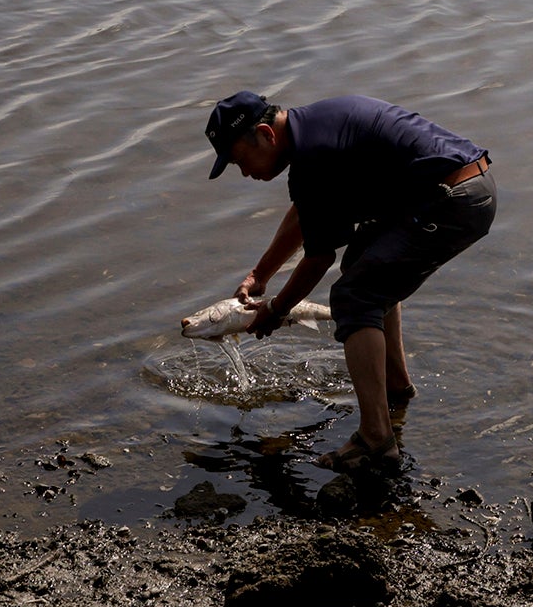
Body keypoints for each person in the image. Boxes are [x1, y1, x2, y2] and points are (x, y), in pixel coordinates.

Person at [204, 90, 494, 469]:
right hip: (456, 188)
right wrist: (260, 275)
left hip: (454, 198)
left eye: (242, 160)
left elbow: (319, 257)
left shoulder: (315, 154)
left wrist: (275, 310)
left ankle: (376, 440)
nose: (245, 173)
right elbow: (306, 214)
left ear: (266, 134)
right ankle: (396, 388)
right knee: (363, 262)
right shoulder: (314, 130)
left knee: (355, 296)